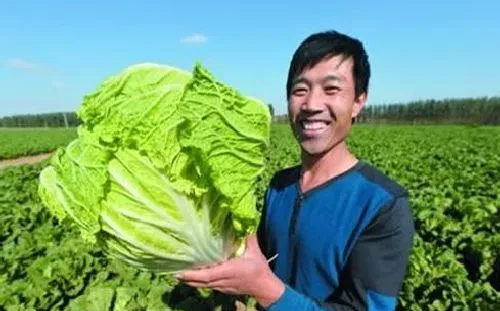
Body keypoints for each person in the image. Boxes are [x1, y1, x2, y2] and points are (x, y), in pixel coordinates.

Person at [175, 30, 415, 311]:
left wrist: (265, 289)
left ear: (358, 102)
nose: (312, 105)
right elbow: (255, 261)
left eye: (331, 89)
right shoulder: (280, 185)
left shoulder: (382, 205)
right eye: (300, 90)